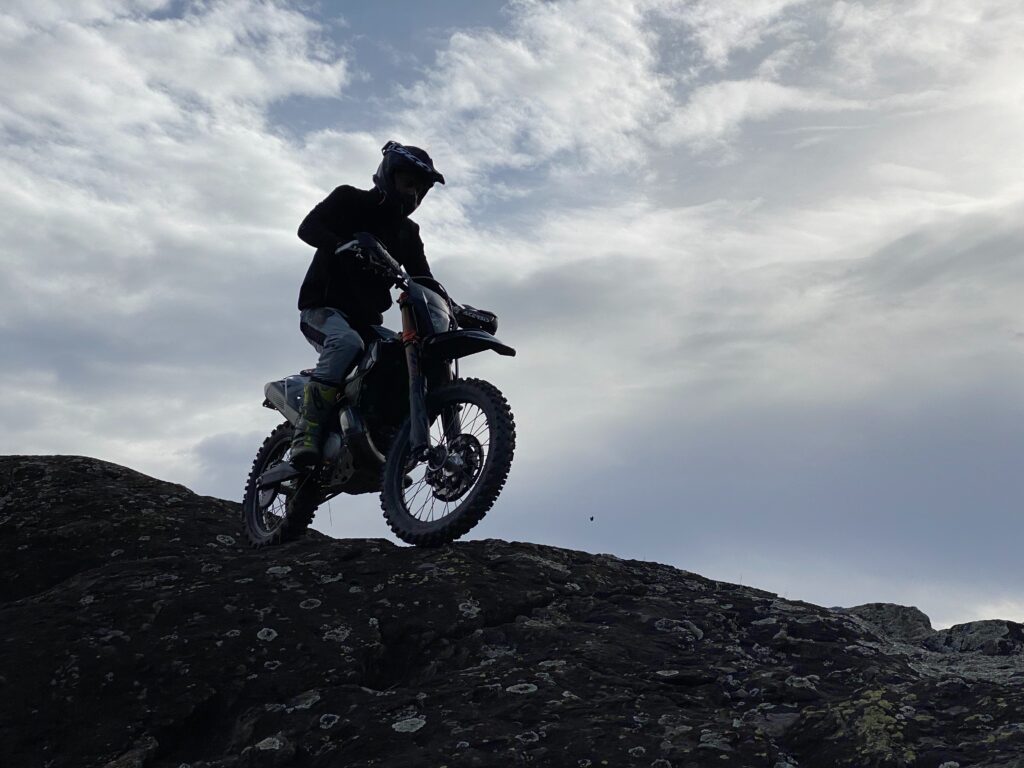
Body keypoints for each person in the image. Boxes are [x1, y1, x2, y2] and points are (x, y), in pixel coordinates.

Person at [290, 140, 445, 467]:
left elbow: (424, 280)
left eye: (421, 190)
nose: (414, 195)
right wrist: (342, 244)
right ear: (389, 174)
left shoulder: (408, 232)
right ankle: (307, 428)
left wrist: (455, 308)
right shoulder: (350, 200)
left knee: (403, 356)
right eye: (409, 183)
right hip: (322, 309)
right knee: (346, 343)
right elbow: (308, 227)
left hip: (367, 321)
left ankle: (387, 440)